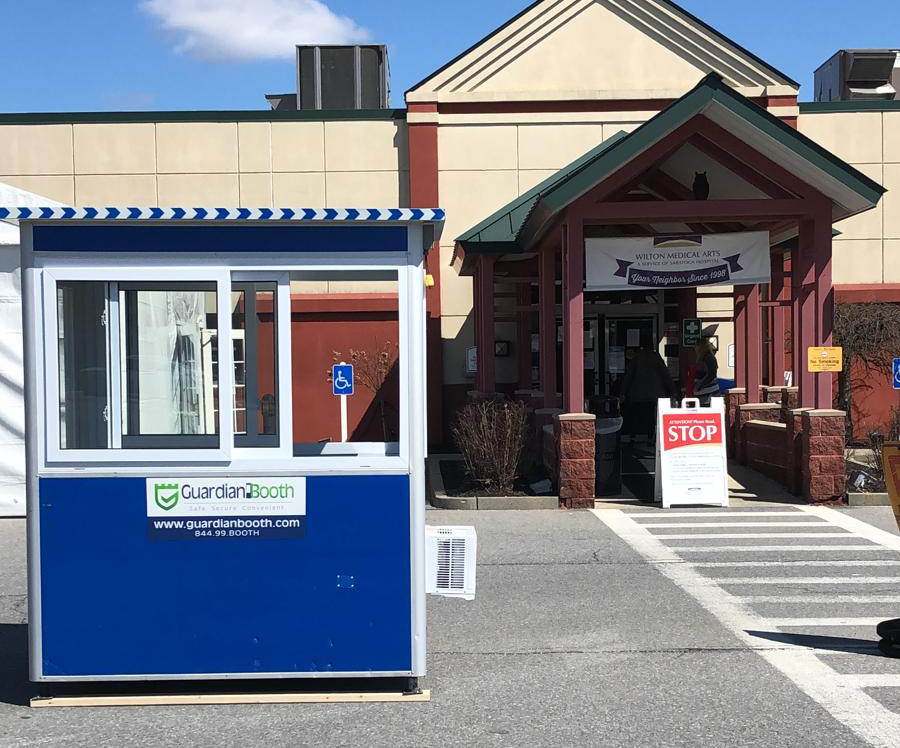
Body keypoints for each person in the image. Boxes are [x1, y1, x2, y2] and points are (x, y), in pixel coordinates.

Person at [620, 346, 674, 439]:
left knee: (636, 415)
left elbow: (629, 376)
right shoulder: (656, 356)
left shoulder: (636, 357)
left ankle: (633, 436)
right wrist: (673, 390)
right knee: (650, 417)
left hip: (637, 393)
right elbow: (665, 375)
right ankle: (650, 437)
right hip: (654, 393)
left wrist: (623, 392)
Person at [693, 337, 720, 406]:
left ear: (700, 347)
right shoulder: (705, 358)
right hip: (704, 393)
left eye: (696, 346)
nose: (695, 348)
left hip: (708, 394)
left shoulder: (708, 358)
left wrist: (699, 386)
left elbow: (711, 374)